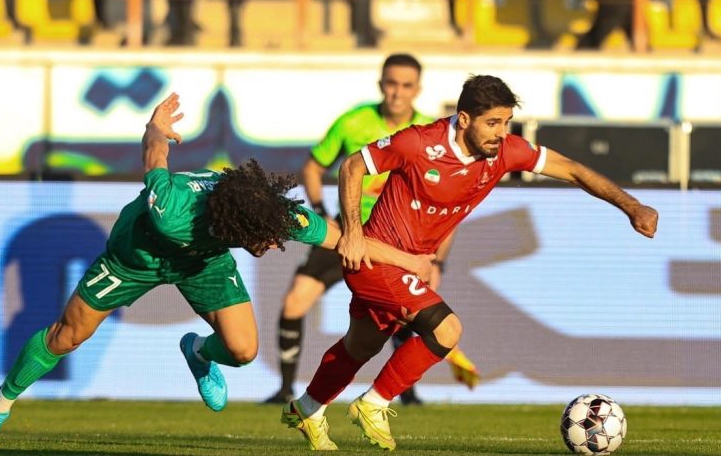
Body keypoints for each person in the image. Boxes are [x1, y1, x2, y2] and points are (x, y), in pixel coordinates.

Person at [0, 93, 435, 451]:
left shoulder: (268, 212)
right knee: (67, 336)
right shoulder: (173, 211)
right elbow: (155, 157)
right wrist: (155, 126)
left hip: (202, 262)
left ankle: (198, 351)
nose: (272, 245)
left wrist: (408, 260)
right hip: (134, 257)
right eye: (264, 240)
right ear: (236, 228)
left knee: (243, 350)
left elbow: (344, 239)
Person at [281, 75, 659, 451]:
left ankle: (308, 409)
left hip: (411, 266)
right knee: (447, 330)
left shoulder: (505, 151)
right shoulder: (418, 142)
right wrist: (353, 233)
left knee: (361, 345)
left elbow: (572, 168)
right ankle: (374, 404)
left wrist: (632, 206)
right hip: (376, 259)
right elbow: (352, 167)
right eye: (492, 123)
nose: (501, 133)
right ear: (464, 119)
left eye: (506, 122)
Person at [263, 53, 480, 407]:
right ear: (381, 85)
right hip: (350, 234)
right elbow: (313, 168)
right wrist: (323, 213)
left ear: (417, 90)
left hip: (400, 241)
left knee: (400, 316)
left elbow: (448, 208)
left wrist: (439, 262)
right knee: (294, 302)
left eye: (406, 85)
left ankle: (406, 393)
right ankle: (286, 389)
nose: (397, 92)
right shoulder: (353, 122)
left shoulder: (432, 132)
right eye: (391, 83)